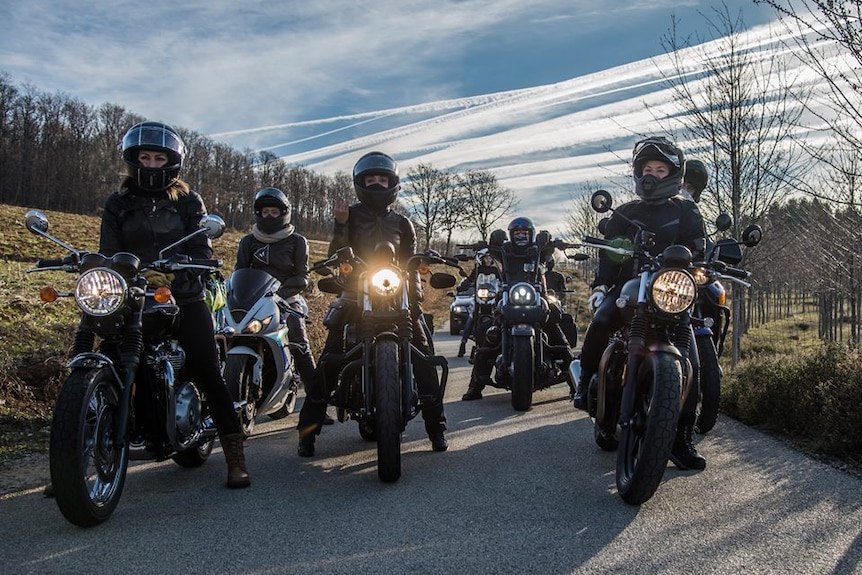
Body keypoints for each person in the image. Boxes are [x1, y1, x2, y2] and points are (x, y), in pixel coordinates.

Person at [100, 121, 250, 488]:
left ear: (171, 163)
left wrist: (188, 269)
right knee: (103, 353)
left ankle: (235, 456)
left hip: (182, 293)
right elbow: (107, 250)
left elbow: (201, 246)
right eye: (145, 158)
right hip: (132, 293)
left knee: (205, 366)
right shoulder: (118, 203)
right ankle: (74, 449)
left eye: (158, 158)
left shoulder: (187, 201)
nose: (151, 164)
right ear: (133, 161)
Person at [295, 151, 448, 455]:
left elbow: (411, 262)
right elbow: (338, 255)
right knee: (329, 361)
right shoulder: (349, 216)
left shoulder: (404, 224)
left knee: (424, 357)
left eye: (382, 179)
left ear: (393, 183)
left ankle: (437, 430)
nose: (377, 184)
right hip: (355, 295)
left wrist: (415, 301)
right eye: (370, 179)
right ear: (360, 183)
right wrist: (340, 226)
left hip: (397, 297)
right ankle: (307, 433)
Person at [572, 135, 708, 471]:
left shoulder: (687, 211)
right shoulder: (624, 213)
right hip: (628, 287)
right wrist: (602, 283)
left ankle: (680, 438)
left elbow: (700, 250)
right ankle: (587, 377)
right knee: (602, 322)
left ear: (674, 173)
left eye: (660, 169)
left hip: (672, 293)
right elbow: (610, 253)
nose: (652, 174)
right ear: (637, 172)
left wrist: (704, 269)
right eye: (647, 168)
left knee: (693, 362)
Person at [461, 217, 574, 400]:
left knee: (556, 333)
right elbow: (493, 252)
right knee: (491, 335)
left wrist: (549, 239)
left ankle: (576, 383)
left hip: (538, 299)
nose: (521, 236)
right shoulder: (505, 251)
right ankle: (475, 386)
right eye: (517, 233)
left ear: (531, 234)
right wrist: (492, 241)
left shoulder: (538, 250)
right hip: (508, 299)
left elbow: (548, 252)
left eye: (524, 233)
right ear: (511, 235)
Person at [235, 187, 316, 392]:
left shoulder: (297, 241)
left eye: (274, 212)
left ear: (284, 213)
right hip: (254, 300)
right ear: (258, 213)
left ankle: (316, 401)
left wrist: (280, 295)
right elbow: (240, 272)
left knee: (299, 342)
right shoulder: (248, 241)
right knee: (232, 332)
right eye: (265, 212)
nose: (269, 215)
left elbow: (302, 276)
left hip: (287, 298)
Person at [457, 248, 502, 358]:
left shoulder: (495, 271)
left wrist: (503, 288)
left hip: (493, 297)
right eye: (486, 258)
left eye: (490, 258)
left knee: (501, 315)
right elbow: (470, 280)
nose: (488, 260)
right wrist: (463, 286)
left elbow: (502, 281)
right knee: (472, 317)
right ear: (481, 259)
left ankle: (502, 341)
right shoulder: (478, 270)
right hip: (479, 298)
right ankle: (463, 343)